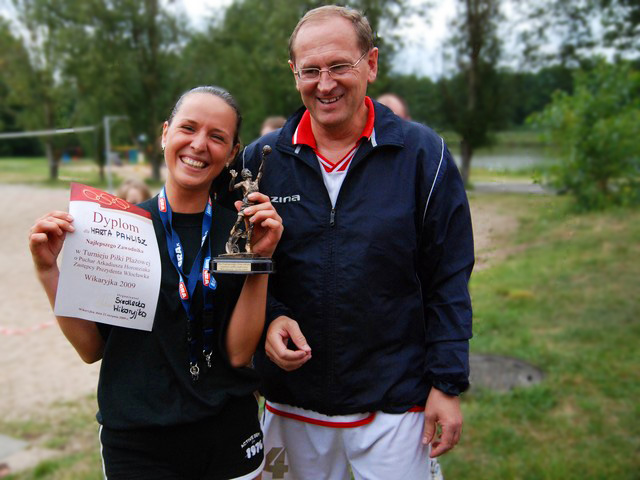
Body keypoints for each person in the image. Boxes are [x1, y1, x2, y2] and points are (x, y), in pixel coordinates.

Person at [242, 6, 474, 480]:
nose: (325, 84)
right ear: (294, 73)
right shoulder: (260, 160)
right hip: (291, 402)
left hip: (396, 404)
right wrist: (268, 319)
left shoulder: (424, 155)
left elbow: (448, 276)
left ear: (370, 63)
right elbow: (239, 266)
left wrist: (447, 383)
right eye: (311, 70)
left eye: (339, 66)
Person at [29, 86, 283, 479]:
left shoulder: (240, 232)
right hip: (139, 444)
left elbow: (237, 354)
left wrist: (261, 260)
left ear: (233, 152)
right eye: (188, 128)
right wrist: (48, 270)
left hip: (228, 437)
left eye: (217, 136)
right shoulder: (117, 230)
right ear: (165, 133)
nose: (199, 144)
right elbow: (91, 348)